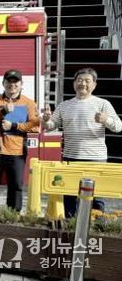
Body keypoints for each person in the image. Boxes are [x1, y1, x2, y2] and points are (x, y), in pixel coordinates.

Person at [43, 68, 122, 217]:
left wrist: (106, 120)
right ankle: (71, 225)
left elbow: (119, 127)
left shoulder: (103, 104)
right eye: (79, 80)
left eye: (87, 81)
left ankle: (97, 225)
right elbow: (51, 126)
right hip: (70, 157)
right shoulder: (64, 105)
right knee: (70, 195)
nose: (83, 83)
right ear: (74, 83)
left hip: (96, 159)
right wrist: (46, 120)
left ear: (94, 85)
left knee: (96, 196)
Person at [0, 70, 40, 212]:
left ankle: (13, 216)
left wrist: (14, 126)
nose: (12, 84)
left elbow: (35, 126)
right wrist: (3, 112)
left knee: (16, 186)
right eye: (9, 81)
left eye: (16, 82)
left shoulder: (29, 103)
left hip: (17, 152)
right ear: (3, 83)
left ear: (21, 84)